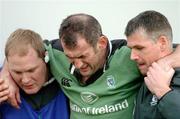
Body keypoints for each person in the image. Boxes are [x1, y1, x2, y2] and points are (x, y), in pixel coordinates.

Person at [1, 13, 180, 119]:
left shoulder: (128, 54)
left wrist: (167, 61)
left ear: (101, 43)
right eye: (71, 58)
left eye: (83, 56)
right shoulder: (55, 53)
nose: (78, 64)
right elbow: (22, 50)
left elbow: (166, 49)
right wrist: (6, 73)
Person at [0, 29, 69, 119]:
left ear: (45, 57)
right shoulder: (2, 86)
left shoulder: (68, 77)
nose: (25, 80)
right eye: (17, 72)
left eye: (31, 70)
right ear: (8, 65)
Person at [125, 10, 180, 119]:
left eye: (139, 48)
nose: (132, 57)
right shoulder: (147, 69)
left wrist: (164, 93)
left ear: (162, 43)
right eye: (131, 49)